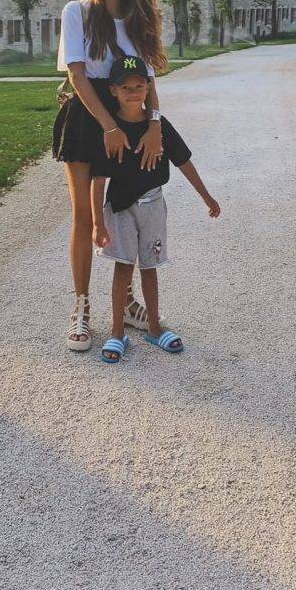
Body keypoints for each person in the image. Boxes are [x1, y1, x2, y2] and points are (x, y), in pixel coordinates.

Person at [53, 0, 168, 351]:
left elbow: (148, 82)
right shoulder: (77, 12)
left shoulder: (141, 20)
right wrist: (108, 126)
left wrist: (154, 124)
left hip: (130, 119)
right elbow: (77, 75)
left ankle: (128, 301)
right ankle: (81, 308)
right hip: (88, 119)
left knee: (129, 210)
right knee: (85, 216)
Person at [90, 54, 221, 364]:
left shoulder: (159, 127)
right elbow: (99, 180)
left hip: (153, 205)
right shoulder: (111, 132)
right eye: (125, 87)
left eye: (139, 85)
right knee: (123, 268)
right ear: (113, 91)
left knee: (150, 267)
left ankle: (154, 327)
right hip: (121, 208)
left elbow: (184, 162)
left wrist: (207, 197)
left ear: (148, 87)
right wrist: (97, 222)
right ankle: (117, 332)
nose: (133, 92)